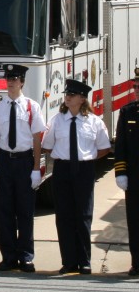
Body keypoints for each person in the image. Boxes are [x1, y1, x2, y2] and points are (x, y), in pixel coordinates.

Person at [42, 79, 111, 275]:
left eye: (72, 95)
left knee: (83, 216)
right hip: (62, 169)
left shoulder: (94, 122)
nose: (67, 97)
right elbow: (47, 146)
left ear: (82, 99)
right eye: (67, 94)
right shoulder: (56, 120)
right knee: (64, 217)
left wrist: (86, 158)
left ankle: (84, 261)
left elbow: (104, 148)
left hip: (84, 170)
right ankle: (69, 261)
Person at [0, 64, 46, 273]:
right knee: (5, 211)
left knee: (25, 212)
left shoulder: (32, 107)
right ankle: (9, 257)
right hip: (5, 161)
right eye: (8, 79)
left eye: (15, 79)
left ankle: (26, 256)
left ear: (22, 82)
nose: (11, 82)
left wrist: (36, 167)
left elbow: (37, 138)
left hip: (24, 162)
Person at [115, 68, 139, 276]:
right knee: (134, 220)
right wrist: (120, 172)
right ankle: (137, 263)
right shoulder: (127, 111)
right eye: (135, 87)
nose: (137, 90)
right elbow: (121, 145)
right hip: (134, 177)